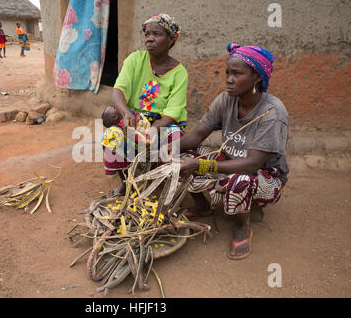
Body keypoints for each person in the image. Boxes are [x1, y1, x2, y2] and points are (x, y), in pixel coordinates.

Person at [177, 43, 289, 260]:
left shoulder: (273, 113)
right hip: (229, 161)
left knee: (241, 179)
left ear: (256, 77)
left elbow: (252, 164)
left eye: (237, 74)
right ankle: (202, 206)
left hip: (265, 176)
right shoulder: (226, 99)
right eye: (227, 73)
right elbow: (197, 135)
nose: (229, 79)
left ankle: (241, 226)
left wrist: (201, 165)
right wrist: (160, 148)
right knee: (187, 155)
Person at [101, 14, 188, 199]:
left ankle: (161, 179)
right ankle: (125, 183)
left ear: (171, 39)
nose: (150, 38)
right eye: (147, 34)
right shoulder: (135, 59)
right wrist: (126, 115)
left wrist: (155, 128)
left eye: (157, 34)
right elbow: (118, 91)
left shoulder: (179, 72)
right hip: (135, 119)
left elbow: (174, 109)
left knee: (174, 139)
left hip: (163, 122)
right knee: (111, 136)